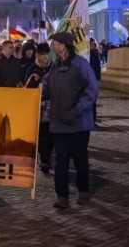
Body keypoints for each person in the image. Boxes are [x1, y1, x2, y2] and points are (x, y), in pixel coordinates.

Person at [42, 32, 98, 209]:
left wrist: (75, 111)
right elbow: (45, 86)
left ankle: (83, 190)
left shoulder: (80, 64)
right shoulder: (54, 67)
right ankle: (62, 196)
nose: (53, 47)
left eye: (55, 44)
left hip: (78, 123)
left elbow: (92, 91)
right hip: (58, 124)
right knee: (60, 161)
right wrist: (33, 92)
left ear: (64, 46)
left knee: (80, 159)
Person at [24, 42, 53, 174]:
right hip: (39, 106)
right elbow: (28, 89)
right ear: (37, 55)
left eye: (47, 54)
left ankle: (49, 155)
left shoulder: (55, 67)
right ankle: (45, 160)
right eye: (42, 54)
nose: (45, 57)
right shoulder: (31, 70)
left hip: (54, 106)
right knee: (42, 135)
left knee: (52, 133)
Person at [89, 38, 101, 126]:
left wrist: (98, 79)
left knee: (93, 102)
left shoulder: (94, 54)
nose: (94, 46)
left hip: (93, 80)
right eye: (93, 44)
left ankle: (92, 120)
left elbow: (98, 68)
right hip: (87, 80)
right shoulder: (85, 56)